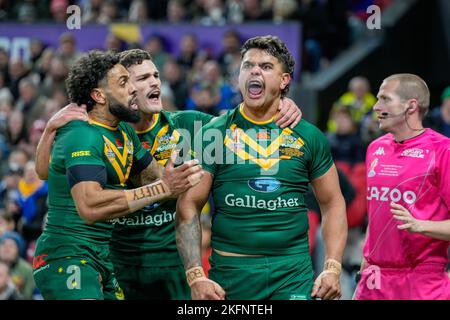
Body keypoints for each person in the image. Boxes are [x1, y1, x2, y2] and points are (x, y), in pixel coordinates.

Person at [35, 48, 302, 300]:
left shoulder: (159, 129)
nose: (152, 83)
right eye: (132, 80)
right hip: (92, 257)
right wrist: (49, 130)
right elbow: (85, 199)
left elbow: (240, 126)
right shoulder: (84, 131)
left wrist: (277, 103)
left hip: (156, 264)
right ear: (101, 95)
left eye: (156, 75)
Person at [176, 35, 348, 300]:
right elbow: (189, 206)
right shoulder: (213, 134)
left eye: (266, 66)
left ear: (284, 81)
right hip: (232, 275)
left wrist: (332, 268)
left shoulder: (309, 135)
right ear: (238, 77)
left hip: (292, 273)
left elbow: (333, 203)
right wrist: (196, 275)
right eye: (247, 65)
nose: (254, 70)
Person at [32, 50, 203, 300]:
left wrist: (178, 177)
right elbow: (89, 206)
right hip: (67, 255)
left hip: (101, 257)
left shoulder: (123, 130)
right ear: (99, 95)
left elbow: (153, 177)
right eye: (124, 83)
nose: (133, 88)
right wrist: (165, 188)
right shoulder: (82, 133)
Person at [354, 73, 450, 300]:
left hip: (422, 281)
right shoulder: (375, 148)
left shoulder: (442, 150)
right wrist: (363, 272)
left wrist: (421, 226)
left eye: (385, 99)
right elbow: (376, 217)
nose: (376, 106)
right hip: (374, 280)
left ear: (411, 106)